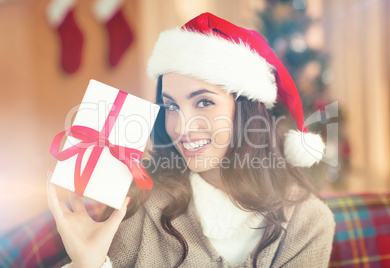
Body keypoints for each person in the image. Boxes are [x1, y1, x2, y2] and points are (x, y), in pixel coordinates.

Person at [47, 12, 336, 268]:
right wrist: (89, 263)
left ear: (247, 110)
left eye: (204, 102)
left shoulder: (308, 223)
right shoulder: (140, 200)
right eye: (171, 106)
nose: (181, 127)